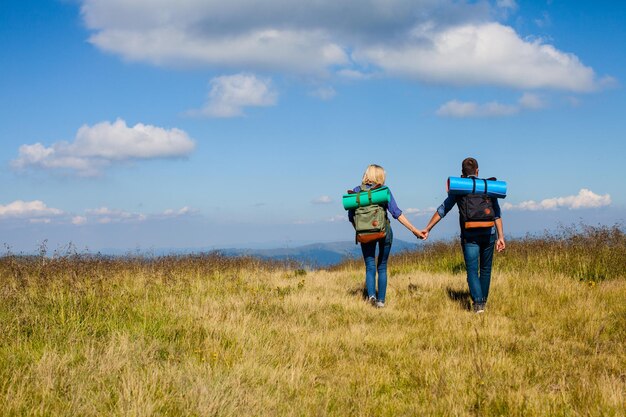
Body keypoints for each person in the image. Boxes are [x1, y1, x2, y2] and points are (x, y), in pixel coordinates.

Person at [422, 157, 506, 313]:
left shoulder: (460, 188)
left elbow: (443, 209)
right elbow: (496, 214)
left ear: (462, 173)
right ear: (477, 171)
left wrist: (428, 228)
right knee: (486, 269)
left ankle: (478, 304)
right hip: (489, 233)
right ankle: (483, 301)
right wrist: (501, 237)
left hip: (470, 235)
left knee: (472, 270)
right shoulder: (487, 187)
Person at [348, 164, 425, 308]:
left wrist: (361, 232)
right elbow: (396, 213)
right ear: (380, 176)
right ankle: (381, 302)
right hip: (384, 232)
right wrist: (414, 230)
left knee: (370, 266)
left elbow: (351, 217)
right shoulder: (383, 191)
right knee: (382, 266)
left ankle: (371, 296)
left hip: (365, 233)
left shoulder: (356, 192)